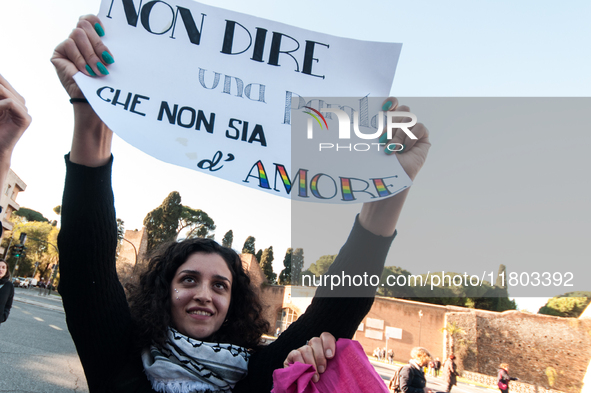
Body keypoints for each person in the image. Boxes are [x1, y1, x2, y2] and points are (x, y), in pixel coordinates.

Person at [53, 15, 430, 393]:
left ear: (233, 303)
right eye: (188, 280)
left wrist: (392, 184)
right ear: (163, 291)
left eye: (220, 286)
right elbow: (86, 260)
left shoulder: (262, 376)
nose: (204, 294)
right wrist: (92, 113)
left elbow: (336, 308)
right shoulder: (120, 359)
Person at [0, 259, 14, 327]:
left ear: (6, 270)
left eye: (3, 267)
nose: (1, 269)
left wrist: (4, 316)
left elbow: (8, 304)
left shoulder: (9, 285)